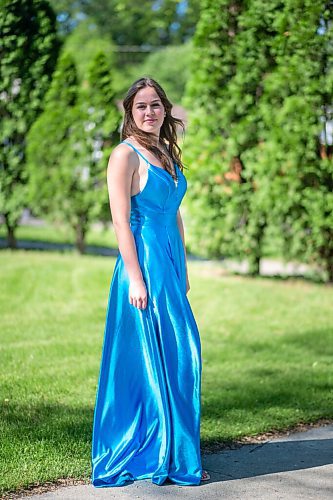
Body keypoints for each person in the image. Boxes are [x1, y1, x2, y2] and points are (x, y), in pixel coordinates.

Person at [91, 77, 210, 487]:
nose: (149, 113)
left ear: (165, 109)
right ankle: (159, 452)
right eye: (141, 106)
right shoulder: (124, 156)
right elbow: (121, 221)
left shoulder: (165, 153)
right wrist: (136, 278)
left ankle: (177, 450)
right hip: (142, 265)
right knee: (154, 357)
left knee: (181, 354)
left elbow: (174, 212)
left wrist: (184, 267)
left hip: (169, 265)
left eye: (155, 105)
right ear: (130, 111)